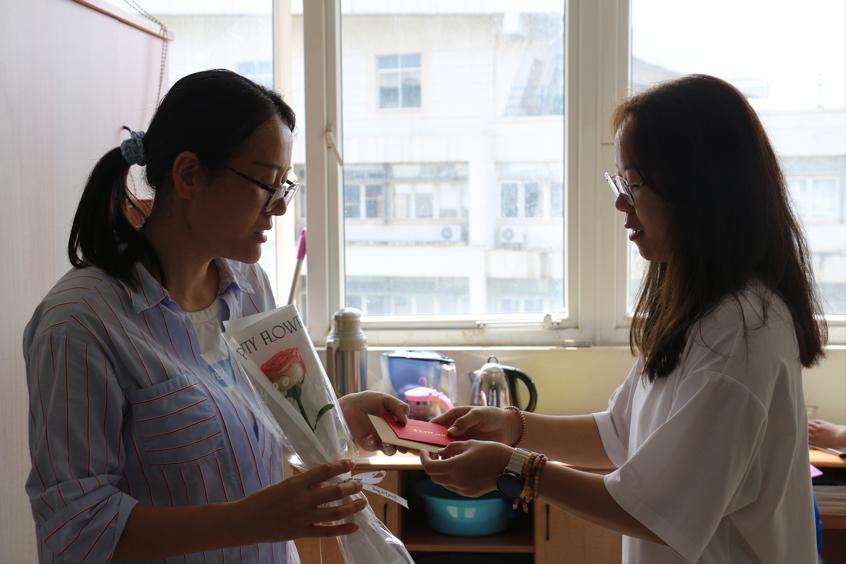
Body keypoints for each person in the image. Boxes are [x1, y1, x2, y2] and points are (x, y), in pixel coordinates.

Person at [420, 74, 827, 564]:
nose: (619, 203)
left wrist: (515, 469)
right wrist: (511, 426)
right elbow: (618, 432)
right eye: (619, 182)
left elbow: (656, 511)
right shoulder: (699, 313)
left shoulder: (739, 334)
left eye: (632, 184)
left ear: (697, 190)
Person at [23, 69, 409, 563]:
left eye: (284, 187)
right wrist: (251, 520)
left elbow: (255, 426)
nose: (278, 208)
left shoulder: (249, 286)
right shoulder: (80, 324)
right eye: (266, 183)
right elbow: (76, 532)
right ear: (188, 175)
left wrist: (337, 417)